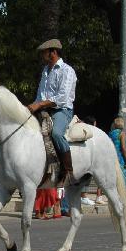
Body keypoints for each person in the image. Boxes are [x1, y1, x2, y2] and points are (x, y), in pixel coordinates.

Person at [26, 39, 78, 186]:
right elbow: (40, 94)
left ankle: (68, 171)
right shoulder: (45, 71)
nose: (43, 56)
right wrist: (33, 106)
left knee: (56, 133)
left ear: (53, 52)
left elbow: (62, 98)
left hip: (62, 110)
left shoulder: (67, 70)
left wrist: (39, 104)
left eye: (44, 52)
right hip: (44, 109)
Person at [109, 116, 126, 186]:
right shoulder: (122, 134)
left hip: (112, 157)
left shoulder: (111, 133)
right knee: (122, 179)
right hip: (120, 158)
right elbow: (123, 147)